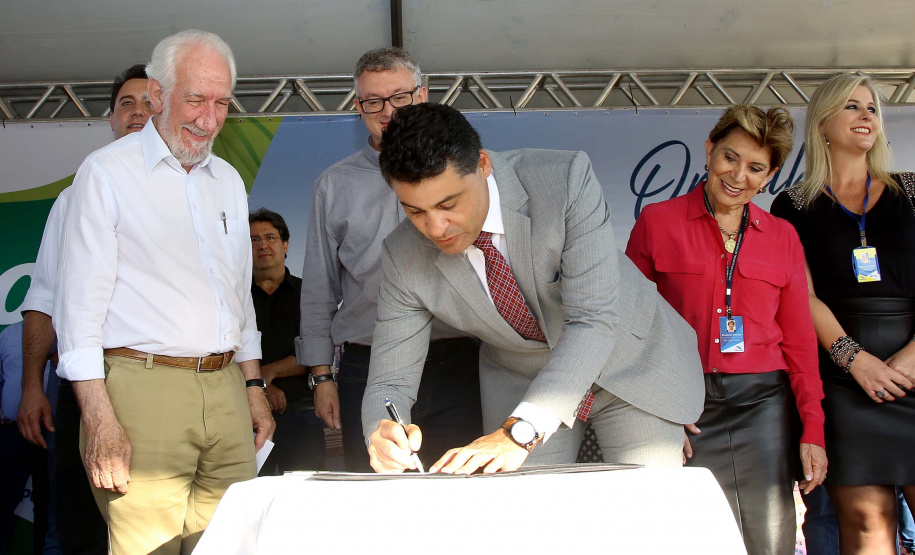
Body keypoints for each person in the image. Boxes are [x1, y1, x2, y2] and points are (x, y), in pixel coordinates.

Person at [363, 102, 704, 474]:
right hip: (523, 381)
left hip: (627, 364)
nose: (435, 228)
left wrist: (519, 433)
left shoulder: (564, 179)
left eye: (449, 204)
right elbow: (389, 378)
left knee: (647, 509)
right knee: (527, 519)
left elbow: (593, 321)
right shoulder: (402, 255)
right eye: (415, 211)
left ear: (482, 164)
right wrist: (380, 432)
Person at [53, 30, 274, 555]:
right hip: (139, 391)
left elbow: (237, 297)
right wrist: (100, 419)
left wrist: (253, 385)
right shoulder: (105, 174)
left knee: (234, 544)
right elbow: (78, 312)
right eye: (195, 99)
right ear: (157, 94)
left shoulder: (229, 181)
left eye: (222, 102)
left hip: (226, 388)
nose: (209, 118)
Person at [625, 105, 827, 555]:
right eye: (730, 158)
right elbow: (632, 328)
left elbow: (799, 342)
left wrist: (812, 429)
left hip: (764, 406)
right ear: (710, 149)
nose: (738, 175)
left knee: (769, 538)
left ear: (771, 174)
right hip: (686, 405)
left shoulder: (782, 237)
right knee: (695, 537)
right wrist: (660, 409)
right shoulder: (657, 222)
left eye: (755, 167)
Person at [297, 47, 482, 471]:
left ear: (423, 95)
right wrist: (322, 377)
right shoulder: (334, 184)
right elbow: (319, 288)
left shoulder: (465, 167)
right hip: (367, 364)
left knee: (464, 498)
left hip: (461, 360)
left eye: (399, 97)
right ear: (358, 108)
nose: (388, 111)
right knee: (376, 501)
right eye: (373, 102)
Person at [770, 73, 915, 554]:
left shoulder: (912, 191)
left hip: (914, 363)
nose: (866, 116)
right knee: (866, 522)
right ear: (823, 123)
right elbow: (802, 296)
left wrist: (913, 355)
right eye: (852, 106)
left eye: (872, 108)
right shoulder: (793, 204)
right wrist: (855, 360)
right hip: (842, 377)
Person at [17, 63, 155, 555]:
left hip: (162, 385)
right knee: (79, 523)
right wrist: (33, 385)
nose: (138, 113)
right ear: (111, 120)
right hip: (83, 384)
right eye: (126, 105)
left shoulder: (195, 191)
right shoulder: (73, 197)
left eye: (148, 103)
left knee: (154, 524)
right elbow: (45, 297)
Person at [250, 208, 326, 472]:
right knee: (256, 496)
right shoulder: (235, 299)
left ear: (285, 245)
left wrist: (267, 372)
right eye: (254, 240)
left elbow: (318, 351)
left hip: (302, 412)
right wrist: (261, 387)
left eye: (270, 237)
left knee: (307, 498)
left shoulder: (309, 295)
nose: (262, 245)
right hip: (248, 414)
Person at [1, 321, 55, 554]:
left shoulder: (66, 330)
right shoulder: (10, 333)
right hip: (11, 433)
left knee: (48, 506)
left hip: (52, 435)